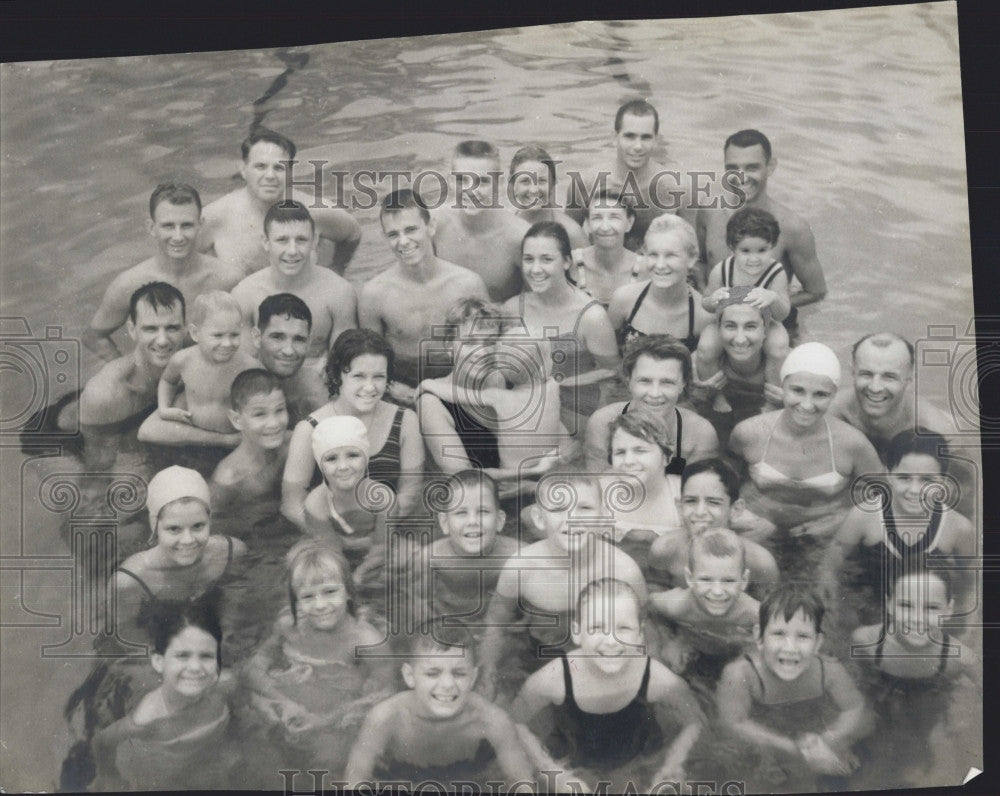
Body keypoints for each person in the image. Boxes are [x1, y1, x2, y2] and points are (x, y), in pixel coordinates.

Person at [511, 579, 705, 790]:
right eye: (596, 628)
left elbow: (694, 722)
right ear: (577, 632)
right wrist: (550, 771)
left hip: (640, 758)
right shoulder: (552, 680)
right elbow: (515, 723)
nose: (611, 641)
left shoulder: (658, 679)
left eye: (623, 628)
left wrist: (673, 765)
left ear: (639, 634)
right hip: (570, 755)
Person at [478, 472, 648, 699]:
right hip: (540, 652)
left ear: (603, 515)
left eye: (585, 508)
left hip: (609, 656)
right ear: (539, 518)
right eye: (559, 508)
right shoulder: (522, 567)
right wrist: (488, 672)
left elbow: (645, 627)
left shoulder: (624, 570)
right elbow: (495, 622)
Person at [242, 540, 394, 767]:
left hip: (336, 713)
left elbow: (386, 694)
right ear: (296, 601)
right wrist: (283, 704)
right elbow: (254, 668)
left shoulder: (366, 641)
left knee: (329, 759)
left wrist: (324, 722)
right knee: (250, 733)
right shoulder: (288, 627)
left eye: (330, 592)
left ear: (349, 592)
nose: (320, 605)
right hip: (291, 702)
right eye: (308, 597)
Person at [714, 585, 870, 792]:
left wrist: (830, 739)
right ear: (759, 637)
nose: (790, 647)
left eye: (803, 637)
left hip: (810, 719)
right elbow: (733, 722)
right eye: (778, 634)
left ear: (817, 642)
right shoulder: (741, 674)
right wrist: (787, 746)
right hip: (770, 728)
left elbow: (855, 707)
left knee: (852, 767)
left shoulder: (829, 671)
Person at [729, 342, 882, 552]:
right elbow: (722, 483)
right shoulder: (749, 433)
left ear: (834, 394)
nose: (807, 405)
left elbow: (884, 496)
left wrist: (840, 520)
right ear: (782, 386)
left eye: (820, 394)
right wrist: (741, 517)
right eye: (798, 390)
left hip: (824, 536)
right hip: (760, 527)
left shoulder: (853, 444)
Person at [343, 621, 535, 786]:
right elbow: (355, 778)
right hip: (399, 777)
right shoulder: (385, 718)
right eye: (432, 673)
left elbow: (523, 783)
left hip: (472, 778)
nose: (447, 685)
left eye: (459, 673)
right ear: (410, 676)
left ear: (473, 677)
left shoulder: (492, 721)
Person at [818, 428, 975, 623]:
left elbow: (970, 582)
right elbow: (830, 567)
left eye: (927, 480)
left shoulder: (958, 528)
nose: (914, 490)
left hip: (926, 611)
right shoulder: (863, 517)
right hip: (872, 604)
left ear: (942, 481)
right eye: (904, 478)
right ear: (888, 475)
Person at [850, 567, 981, 789]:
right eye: (906, 605)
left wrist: (962, 718)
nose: (917, 618)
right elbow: (857, 680)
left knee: (937, 754)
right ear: (889, 605)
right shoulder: (867, 641)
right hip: (882, 694)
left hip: (932, 697)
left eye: (931, 607)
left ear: (949, 609)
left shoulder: (958, 658)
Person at [83, 183, 243, 362]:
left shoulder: (229, 279)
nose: (178, 236)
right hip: (156, 376)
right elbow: (94, 336)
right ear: (152, 228)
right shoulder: (130, 283)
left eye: (187, 225)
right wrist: (127, 369)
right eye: (168, 226)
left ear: (201, 225)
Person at [282, 329, 423, 529]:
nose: (370, 387)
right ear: (337, 375)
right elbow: (291, 504)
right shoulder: (309, 428)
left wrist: (379, 538)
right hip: (326, 530)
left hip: (389, 527)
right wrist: (332, 539)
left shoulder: (405, 421)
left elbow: (411, 491)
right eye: (359, 376)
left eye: (379, 377)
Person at [359, 188, 489, 404]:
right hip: (401, 384)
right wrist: (393, 390)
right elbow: (368, 360)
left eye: (411, 230)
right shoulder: (375, 294)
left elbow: (489, 347)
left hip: (460, 382)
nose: (403, 242)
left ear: (431, 226)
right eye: (393, 234)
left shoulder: (468, 284)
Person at [91, 601, 236, 791]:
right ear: (159, 662)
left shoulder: (224, 685)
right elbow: (102, 742)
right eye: (182, 656)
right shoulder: (149, 716)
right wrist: (108, 774)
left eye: (206, 656)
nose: (195, 667)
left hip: (209, 758)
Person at [695, 129, 826, 324]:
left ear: (770, 166)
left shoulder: (793, 227)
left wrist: (769, 303)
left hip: (769, 322)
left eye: (752, 168)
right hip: (718, 317)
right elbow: (700, 263)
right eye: (732, 168)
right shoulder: (709, 212)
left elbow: (816, 291)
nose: (741, 177)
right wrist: (707, 298)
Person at [502, 221, 620, 438]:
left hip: (574, 411)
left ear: (567, 262)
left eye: (547, 259)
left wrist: (557, 384)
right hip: (522, 407)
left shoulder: (591, 317)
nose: (535, 269)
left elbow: (613, 373)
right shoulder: (511, 309)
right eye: (529, 259)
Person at [57, 282, 187, 470]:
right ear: (132, 330)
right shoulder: (106, 394)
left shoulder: (193, 359)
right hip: (69, 431)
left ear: (185, 328)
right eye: (150, 329)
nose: (162, 340)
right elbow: (97, 467)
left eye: (172, 328)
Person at [199, 127, 361, 276]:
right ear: (242, 169)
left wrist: (336, 270)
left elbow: (353, 233)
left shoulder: (314, 211)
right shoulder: (215, 216)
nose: (270, 176)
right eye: (261, 166)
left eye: (279, 168)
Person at [230, 200, 358, 368]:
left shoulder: (339, 292)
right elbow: (244, 365)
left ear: (314, 241)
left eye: (301, 240)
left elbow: (344, 363)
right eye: (282, 240)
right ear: (266, 242)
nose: (292, 251)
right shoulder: (245, 294)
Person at [695, 207, 790, 413]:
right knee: (705, 347)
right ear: (732, 248)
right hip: (727, 321)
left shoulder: (776, 272)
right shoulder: (723, 269)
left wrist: (772, 297)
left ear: (772, 246)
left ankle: (772, 399)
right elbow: (706, 304)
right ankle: (716, 395)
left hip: (768, 323)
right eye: (745, 251)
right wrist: (714, 298)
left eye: (762, 250)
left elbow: (783, 313)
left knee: (779, 346)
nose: (754, 259)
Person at [565, 99, 694, 251]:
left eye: (646, 137)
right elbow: (566, 240)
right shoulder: (586, 183)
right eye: (630, 136)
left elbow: (690, 249)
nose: (638, 146)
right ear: (615, 137)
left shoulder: (677, 188)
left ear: (656, 140)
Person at [585, 334, 719, 473]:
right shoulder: (602, 423)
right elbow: (598, 485)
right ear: (629, 381)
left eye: (667, 382)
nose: (655, 394)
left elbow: (700, 489)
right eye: (645, 381)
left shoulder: (700, 433)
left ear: (683, 385)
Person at [648, 459, 779, 597]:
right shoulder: (665, 549)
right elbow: (655, 598)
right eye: (691, 501)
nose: (700, 512)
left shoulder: (759, 562)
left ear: (735, 510)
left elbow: (769, 612)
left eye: (713, 502)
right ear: (679, 507)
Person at [409, 470, 520, 627]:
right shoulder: (430, 559)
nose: (472, 521)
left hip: (500, 625)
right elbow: (420, 602)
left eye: (483, 511)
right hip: (450, 623)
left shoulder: (517, 556)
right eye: (461, 513)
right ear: (444, 523)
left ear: (500, 520)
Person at [146, 291, 257, 443]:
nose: (227, 343)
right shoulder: (183, 360)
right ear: (195, 333)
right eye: (218, 335)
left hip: (236, 440)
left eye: (234, 335)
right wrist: (164, 409)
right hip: (194, 435)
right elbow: (168, 381)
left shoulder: (248, 366)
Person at [432, 140, 531, 302]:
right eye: (462, 180)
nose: (471, 191)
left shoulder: (519, 237)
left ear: (499, 183)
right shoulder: (434, 225)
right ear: (450, 181)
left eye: (483, 181)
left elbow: (539, 305)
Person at [650, 530, 760, 675]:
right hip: (693, 643)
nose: (717, 592)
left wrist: (750, 650)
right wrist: (669, 639)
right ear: (690, 578)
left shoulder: (754, 614)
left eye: (728, 581)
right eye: (706, 580)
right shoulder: (677, 606)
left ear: (744, 580)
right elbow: (649, 605)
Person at [304, 416, 389, 590]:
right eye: (331, 459)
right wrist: (346, 582)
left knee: (409, 560)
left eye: (352, 455)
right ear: (321, 465)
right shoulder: (316, 504)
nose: (343, 466)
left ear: (366, 457)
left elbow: (382, 546)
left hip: (374, 548)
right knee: (303, 566)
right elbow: (330, 552)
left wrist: (359, 575)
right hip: (334, 548)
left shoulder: (383, 498)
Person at [608, 213, 712, 354]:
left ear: (692, 258)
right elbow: (608, 359)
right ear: (644, 254)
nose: (660, 265)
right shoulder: (624, 300)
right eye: (653, 255)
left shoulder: (703, 316)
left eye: (670, 255)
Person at [209, 369, 290, 513]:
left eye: (279, 410)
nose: (274, 423)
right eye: (260, 414)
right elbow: (209, 521)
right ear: (237, 420)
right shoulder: (229, 477)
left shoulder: (291, 443)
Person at [251, 293, 327, 424]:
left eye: (299, 339)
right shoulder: (236, 378)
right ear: (257, 337)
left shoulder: (313, 386)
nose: (289, 350)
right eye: (278, 337)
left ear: (309, 342)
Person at [570, 189, 643, 307]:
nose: (605, 227)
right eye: (597, 217)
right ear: (588, 224)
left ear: (629, 222)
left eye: (614, 217)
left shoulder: (646, 268)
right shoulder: (571, 264)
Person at [508, 144, 588, 248]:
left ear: (553, 183)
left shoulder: (571, 234)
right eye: (525, 181)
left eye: (542, 181)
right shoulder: (505, 226)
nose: (534, 190)